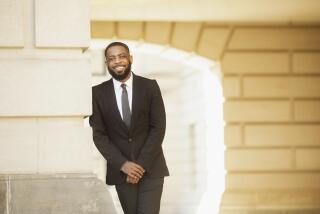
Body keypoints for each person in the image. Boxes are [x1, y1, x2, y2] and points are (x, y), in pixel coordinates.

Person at [89, 41, 169, 214]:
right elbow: (99, 135)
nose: (117, 61)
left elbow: (158, 128)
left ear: (130, 58)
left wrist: (139, 166)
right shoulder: (97, 94)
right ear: (107, 63)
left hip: (151, 168)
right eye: (112, 58)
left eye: (121, 56)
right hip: (121, 172)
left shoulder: (150, 87)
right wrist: (123, 164)